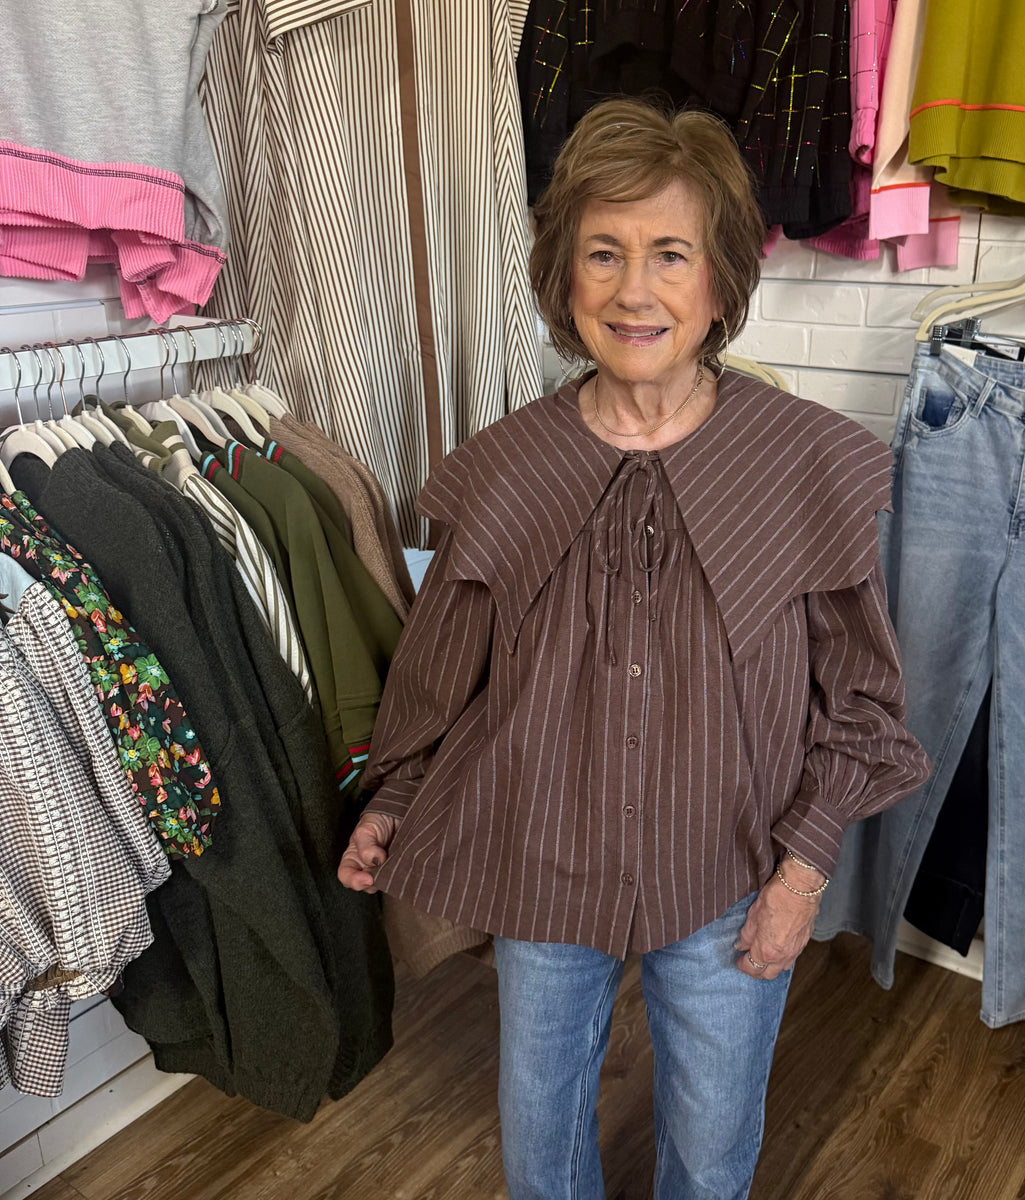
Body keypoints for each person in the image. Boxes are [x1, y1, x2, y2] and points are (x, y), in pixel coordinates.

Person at [338, 97, 930, 1200]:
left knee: (711, 1155)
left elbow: (861, 703)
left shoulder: (803, 463)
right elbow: (442, 671)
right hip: (543, 863)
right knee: (538, 1146)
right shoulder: (505, 467)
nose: (635, 290)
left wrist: (801, 873)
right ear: (565, 277)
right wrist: (392, 797)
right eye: (602, 254)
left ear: (720, 283)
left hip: (731, 870)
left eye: (670, 254)